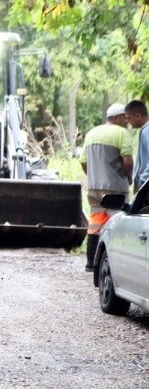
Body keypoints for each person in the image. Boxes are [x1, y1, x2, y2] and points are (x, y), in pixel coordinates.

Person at [80, 102, 136, 272]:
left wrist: (94, 176)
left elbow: (83, 161)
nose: (127, 122)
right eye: (124, 118)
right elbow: (127, 160)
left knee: (95, 224)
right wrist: (129, 177)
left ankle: (90, 263)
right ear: (116, 118)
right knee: (117, 224)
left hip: (94, 188)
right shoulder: (122, 134)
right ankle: (114, 265)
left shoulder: (92, 133)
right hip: (115, 188)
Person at [130, 100, 149, 193]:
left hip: (145, 182)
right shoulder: (144, 130)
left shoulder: (147, 131)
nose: (128, 122)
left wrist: (143, 179)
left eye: (129, 118)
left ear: (138, 116)